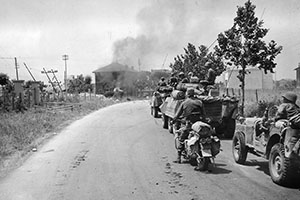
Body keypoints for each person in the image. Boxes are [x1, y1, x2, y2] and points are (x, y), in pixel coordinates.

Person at [172, 88, 206, 165]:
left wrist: (174, 120)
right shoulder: (199, 102)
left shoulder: (184, 103)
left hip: (188, 124)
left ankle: (178, 157)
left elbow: (177, 115)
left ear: (187, 94)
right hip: (198, 124)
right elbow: (204, 114)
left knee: (181, 138)